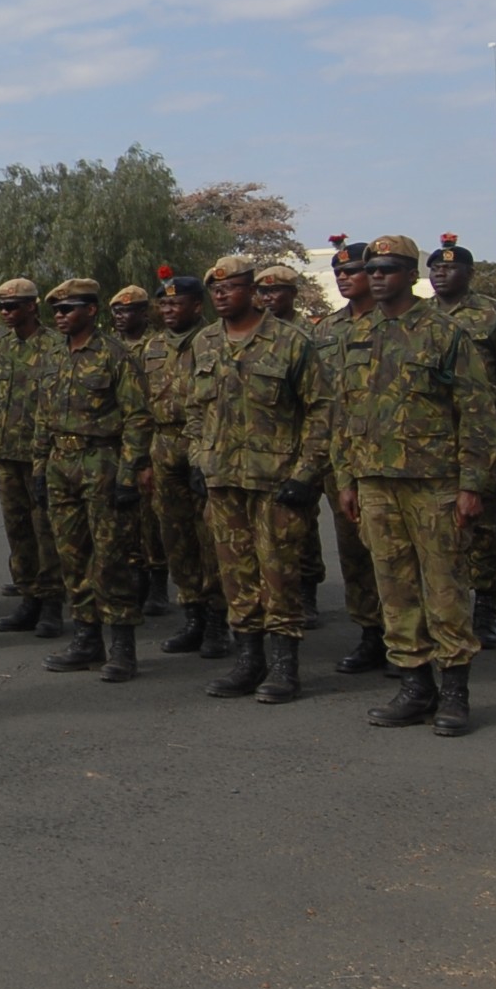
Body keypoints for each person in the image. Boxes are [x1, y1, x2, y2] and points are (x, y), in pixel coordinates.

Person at [332, 234, 496, 738]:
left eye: (388, 268)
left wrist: (472, 484)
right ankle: (413, 683)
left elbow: (477, 412)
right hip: (375, 482)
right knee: (395, 590)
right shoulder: (354, 335)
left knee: (445, 588)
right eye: (371, 268)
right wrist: (346, 479)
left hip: (435, 482)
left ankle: (454, 691)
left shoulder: (444, 333)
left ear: (410, 274)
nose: (376, 275)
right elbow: (341, 412)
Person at [187, 254, 325, 703]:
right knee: (236, 575)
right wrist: (198, 456)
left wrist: (306, 473)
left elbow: (322, 411)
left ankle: (285, 667)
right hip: (223, 480)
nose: (222, 295)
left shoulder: (291, 341)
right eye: (216, 290)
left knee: (279, 575)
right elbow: (194, 410)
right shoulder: (205, 342)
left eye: (232, 287)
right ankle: (249, 661)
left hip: (277, 482)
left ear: (253, 290)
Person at [37, 279, 152, 681]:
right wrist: (40, 468)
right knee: (72, 555)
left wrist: (129, 473)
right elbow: (42, 415)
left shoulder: (114, 355)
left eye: (68, 309)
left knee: (111, 558)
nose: (60, 316)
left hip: (101, 461)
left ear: (91, 310)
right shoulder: (54, 355)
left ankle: (122, 647)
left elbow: (138, 417)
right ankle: (86, 639)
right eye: (56, 310)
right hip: (60, 463)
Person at [428, 233, 496, 649]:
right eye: (434, 267)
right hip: (432, 438)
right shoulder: (418, 317)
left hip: (482, 434)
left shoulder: (493, 316)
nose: (440, 273)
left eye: (449, 267)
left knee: (483, 526)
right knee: (436, 526)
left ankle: (486, 607)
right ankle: (449, 609)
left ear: (469, 273)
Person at [292, 243, 385, 674]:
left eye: (353, 270)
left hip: (394, 455)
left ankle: (412, 637)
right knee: (354, 551)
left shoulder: (403, 321)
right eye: (338, 272)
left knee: (399, 553)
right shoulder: (325, 330)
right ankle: (371, 634)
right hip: (340, 454)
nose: (344, 277)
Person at [140, 267, 229, 659]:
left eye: (177, 303)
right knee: (175, 536)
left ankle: (216, 621)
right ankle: (191, 614)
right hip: (162, 445)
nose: (169, 309)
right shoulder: (153, 346)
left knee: (210, 537)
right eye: (164, 303)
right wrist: (142, 459)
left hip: (204, 444)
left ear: (198, 305)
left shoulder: (215, 341)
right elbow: (141, 406)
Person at [0, 277, 67, 638]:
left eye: (12, 306)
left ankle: (51, 604)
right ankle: (28, 597)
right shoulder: (2, 348)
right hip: (6, 454)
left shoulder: (55, 346)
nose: (6, 313)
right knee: (17, 529)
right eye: (1, 307)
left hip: (40, 455)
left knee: (45, 530)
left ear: (32, 306)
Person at [106, 283, 166, 617]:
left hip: (156, 441)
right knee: (125, 517)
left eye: (127, 311)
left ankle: (158, 581)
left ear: (144, 313)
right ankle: (133, 577)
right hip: (119, 441)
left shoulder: (159, 346)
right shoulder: (110, 348)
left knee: (153, 518)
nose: (120, 317)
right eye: (116, 311)